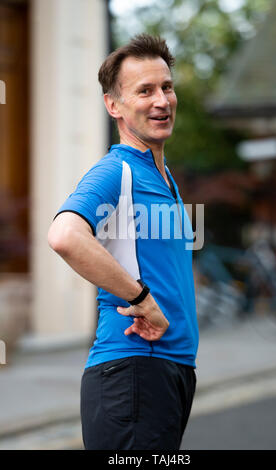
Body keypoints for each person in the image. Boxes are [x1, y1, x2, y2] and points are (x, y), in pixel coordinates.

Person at [47, 34, 199, 451]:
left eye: (166, 87)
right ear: (113, 105)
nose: (162, 100)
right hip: (133, 370)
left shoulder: (164, 178)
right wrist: (143, 298)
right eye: (144, 90)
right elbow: (64, 235)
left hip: (170, 371)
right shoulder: (117, 171)